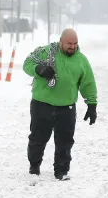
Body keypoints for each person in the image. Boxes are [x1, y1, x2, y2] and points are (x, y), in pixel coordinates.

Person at [23, 28, 97, 180]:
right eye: (69, 43)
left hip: (66, 107)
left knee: (65, 141)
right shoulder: (46, 52)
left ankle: (61, 171)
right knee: (38, 138)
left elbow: (88, 83)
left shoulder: (81, 60)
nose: (72, 46)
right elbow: (27, 63)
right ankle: (34, 167)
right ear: (61, 41)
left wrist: (92, 104)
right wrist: (39, 69)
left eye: (75, 43)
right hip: (42, 104)